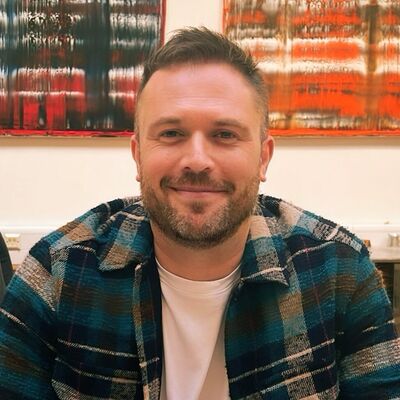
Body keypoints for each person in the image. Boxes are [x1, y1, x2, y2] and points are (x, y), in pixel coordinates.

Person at [0, 27, 399, 400]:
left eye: (225, 134)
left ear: (263, 157)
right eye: (171, 133)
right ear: (138, 155)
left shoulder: (340, 271)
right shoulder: (56, 273)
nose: (196, 160)